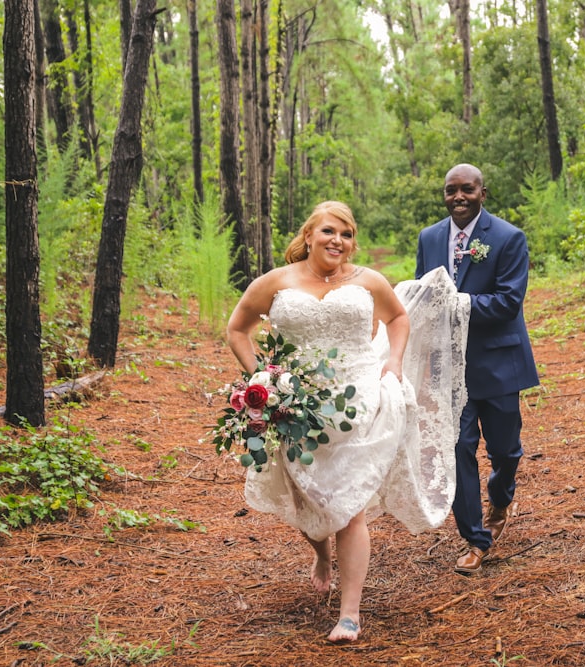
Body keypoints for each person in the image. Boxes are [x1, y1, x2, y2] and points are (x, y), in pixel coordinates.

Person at [226, 201, 467, 642]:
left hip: (359, 403)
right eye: (329, 232)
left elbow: (397, 317)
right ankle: (321, 554)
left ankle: (350, 614)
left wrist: (393, 361)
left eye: (347, 234)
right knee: (308, 502)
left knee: (350, 507)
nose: (338, 241)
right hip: (297, 407)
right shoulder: (276, 282)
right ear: (309, 235)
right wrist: (261, 376)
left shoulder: (368, 281)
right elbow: (237, 328)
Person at [415, 164, 540, 575]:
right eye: (451, 190)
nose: (458, 197)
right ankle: (475, 537)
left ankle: (501, 494)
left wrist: (457, 304)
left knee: (505, 449)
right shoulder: (429, 238)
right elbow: (423, 293)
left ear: (483, 193)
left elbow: (508, 303)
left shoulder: (507, 237)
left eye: (467, 189)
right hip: (450, 367)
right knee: (457, 449)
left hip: (499, 361)